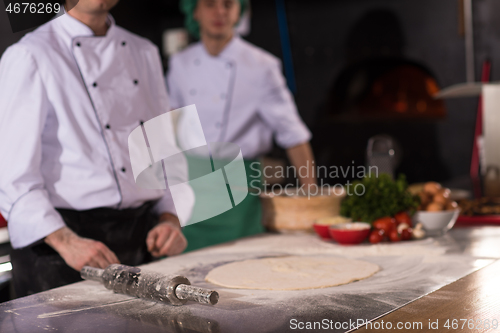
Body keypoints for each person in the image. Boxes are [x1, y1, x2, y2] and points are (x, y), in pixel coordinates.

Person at [0, 0, 193, 297]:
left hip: (139, 237)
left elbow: (164, 149)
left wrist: (170, 217)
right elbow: (10, 173)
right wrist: (66, 241)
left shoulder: (144, 51)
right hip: (61, 247)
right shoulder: (30, 55)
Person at [167, 0, 316, 252]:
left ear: (240, 12)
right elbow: (169, 126)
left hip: (239, 189)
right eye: (210, 4)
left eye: (228, 4)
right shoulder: (180, 64)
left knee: (241, 266)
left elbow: (293, 135)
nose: (220, 12)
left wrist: (312, 198)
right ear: (195, 11)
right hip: (190, 190)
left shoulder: (261, 66)